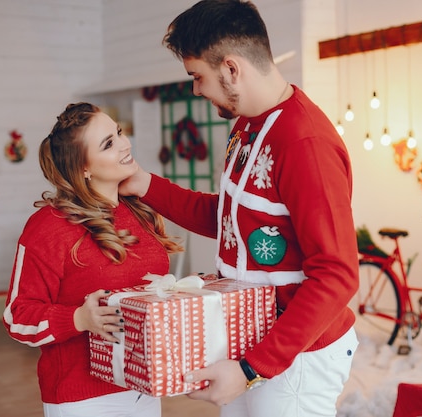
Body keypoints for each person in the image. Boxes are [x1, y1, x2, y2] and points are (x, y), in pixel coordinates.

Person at [118, 1, 360, 416]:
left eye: (198, 77)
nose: (196, 89)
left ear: (231, 69)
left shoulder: (305, 143)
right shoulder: (247, 125)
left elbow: (337, 276)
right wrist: (147, 186)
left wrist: (252, 368)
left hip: (296, 356)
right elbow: (230, 221)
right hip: (253, 342)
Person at [3, 102, 182, 417]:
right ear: (83, 167)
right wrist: (78, 319)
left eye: (119, 133)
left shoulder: (138, 210)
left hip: (144, 387)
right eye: (109, 144)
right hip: (83, 398)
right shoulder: (48, 226)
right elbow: (18, 316)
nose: (125, 144)